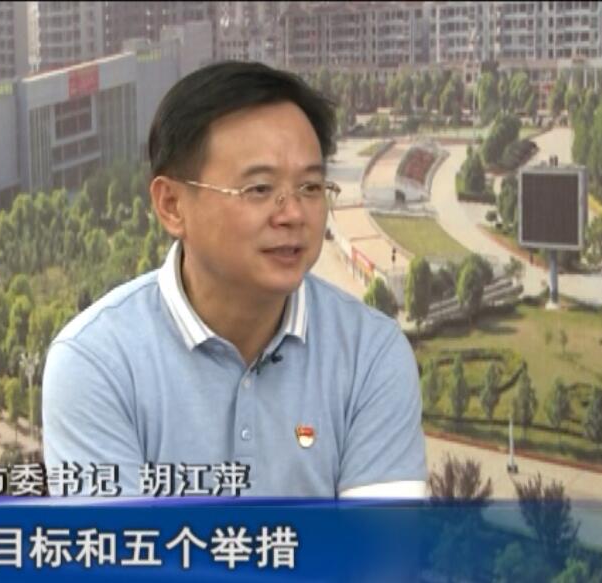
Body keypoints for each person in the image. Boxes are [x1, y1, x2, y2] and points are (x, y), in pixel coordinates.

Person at [43, 61, 426, 498]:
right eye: (259, 189)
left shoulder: (370, 354)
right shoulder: (97, 363)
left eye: (310, 188)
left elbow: (380, 542)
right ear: (171, 205)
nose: (293, 214)